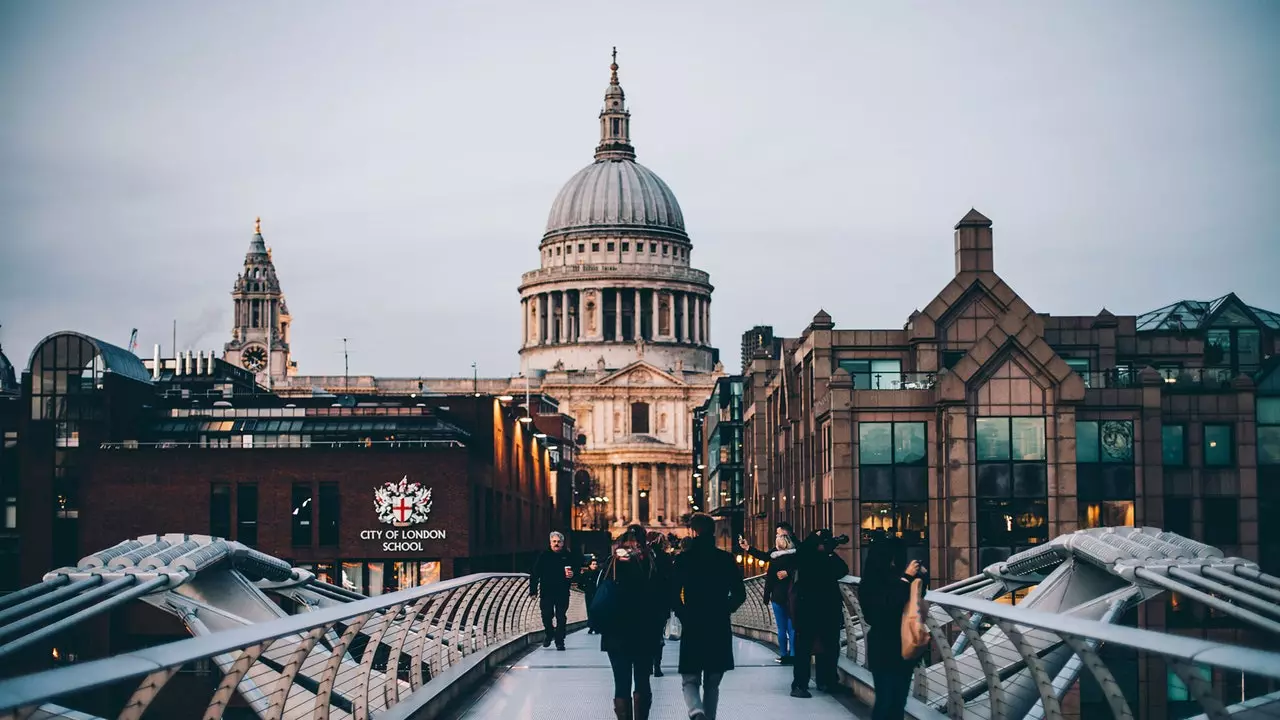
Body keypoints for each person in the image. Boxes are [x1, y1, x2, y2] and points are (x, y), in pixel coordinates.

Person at [671, 512, 747, 720]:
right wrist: (725, 609)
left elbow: (672, 593)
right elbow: (740, 593)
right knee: (712, 683)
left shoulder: (683, 560)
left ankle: (696, 712)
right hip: (718, 624)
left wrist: (683, 613)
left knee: (690, 679)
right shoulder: (725, 559)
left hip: (693, 622)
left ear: (693, 532)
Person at [599, 524, 668, 720]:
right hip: (645, 632)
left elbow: (598, 593)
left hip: (615, 633)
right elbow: (664, 595)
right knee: (642, 680)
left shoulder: (611, 565)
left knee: (621, 683)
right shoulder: (651, 565)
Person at [860, 537, 924, 720]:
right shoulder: (870, 584)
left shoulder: (898, 579)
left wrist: (919, 578)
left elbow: (915, 602)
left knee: (899, 701)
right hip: (883, 648)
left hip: (903, 646)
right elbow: (882, 610)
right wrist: (905, 580)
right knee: (886, 700)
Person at [790, 529, 850, 698]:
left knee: (827, 647)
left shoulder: (820, 557)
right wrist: (823, 549)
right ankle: (804, 684)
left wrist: (828, 552)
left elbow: (842, 569)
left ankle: (821, 682)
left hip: (819, 610)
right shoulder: (806, 556)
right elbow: (841, 569)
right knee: (808, 648)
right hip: (815, 609)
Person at [529, 531, 578, 651]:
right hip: (547, 591)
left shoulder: (568, 555)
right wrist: (533, 590)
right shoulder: (544, 556)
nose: (556, 544)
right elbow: (535, 573)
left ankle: (560, 641)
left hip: (562, 591)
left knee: (561, 617)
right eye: (554, 541)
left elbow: (577, 570)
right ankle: (549, 633)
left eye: (559, 542)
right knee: (546, 615)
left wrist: (573, 574)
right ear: (550, 542)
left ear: (563, 543)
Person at [760, 530, 798, 664]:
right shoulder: (795, 558)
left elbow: (769, 580)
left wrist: (766, 596)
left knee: (781, 628)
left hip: (777, 596)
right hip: (792, 596)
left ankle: (783, 655)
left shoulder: (774, 560)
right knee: (792, 627)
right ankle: (793, 654)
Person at [646, 531, 674, 677]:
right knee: (658, 634)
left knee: (646, 633)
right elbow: (671, 581)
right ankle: (657, 665)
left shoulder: (643, 557)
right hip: (661, 602)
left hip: (644, 603)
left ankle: (647, 664)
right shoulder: (666, 558)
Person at [580, 557, 601, 635]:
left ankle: (595, 626)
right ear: (589, 565)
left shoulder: (599, 574)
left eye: (596, 564)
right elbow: (580, 584)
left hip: (597, 594)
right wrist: (586, 589)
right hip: (589, 594)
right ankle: (592, 626)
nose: (595, 566)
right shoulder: (585, 574)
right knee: (589, 609)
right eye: (593, 564)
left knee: (596, 610)